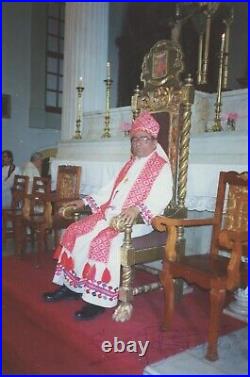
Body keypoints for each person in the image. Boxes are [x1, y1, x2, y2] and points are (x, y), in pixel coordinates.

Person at [43, 112, 173, 320]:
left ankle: (98, 301)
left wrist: (137, 209)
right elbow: (108, 190)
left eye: (144, 138)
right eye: (135, 139)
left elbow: (163, 195)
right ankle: (72, 287)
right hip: (109, 215)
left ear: (154, 141)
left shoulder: (161, 167)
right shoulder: (130, 164)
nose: (138, 143)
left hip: (135, 222)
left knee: (102, 242)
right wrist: (84, 201)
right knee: (75, 231)